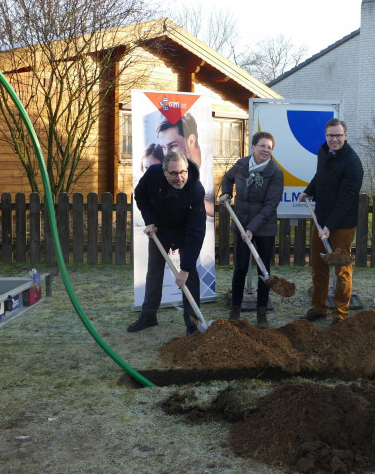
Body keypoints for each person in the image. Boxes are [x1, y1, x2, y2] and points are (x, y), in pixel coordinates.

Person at [128, 151, 206, 335]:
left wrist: (184, 269)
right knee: (154, 270)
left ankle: (192, 324)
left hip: (186, 230)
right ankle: (148, 315)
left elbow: (196, 231)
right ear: (164, 172)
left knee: (191, 275)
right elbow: (141, 196)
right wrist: (150, 221)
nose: (179, 178)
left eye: (183, 172)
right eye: (173, 173)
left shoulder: (195, 189)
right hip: (160, 228)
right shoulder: (153, 175)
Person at [297, 118, 363, 325]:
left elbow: (347, 200)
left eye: (338, 135)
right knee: (318, 266)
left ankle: (341, 313)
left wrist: (329, 226)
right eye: (330, 135)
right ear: (326, 136)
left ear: (345, 135)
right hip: (322, 218)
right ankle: (319, 308)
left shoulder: (352, 163)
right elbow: (321, 175)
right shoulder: (323, 151)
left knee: (341, 270)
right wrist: (309, 191)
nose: (334, 139)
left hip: (342, 224)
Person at [219, 132, 284, 329]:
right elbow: (227, 178)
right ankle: (235, 310)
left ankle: (261, 313)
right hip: (241, 224)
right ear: (253, 146)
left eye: (270, 147)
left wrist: (252, 229)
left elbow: (270, 204)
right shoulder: (241, 165)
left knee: (263, 270)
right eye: (263, 146)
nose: (266, 150)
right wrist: (226, 193)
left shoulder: (275, 172)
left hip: (264, 227)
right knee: (239, 268)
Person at [156, 113, 214, 217]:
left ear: (191, 140)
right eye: (163, 148)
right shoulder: (168, 166)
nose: (166, 154)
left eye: (173, 146)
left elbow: (221, 209)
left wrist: (189, 198)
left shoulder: (211, 161)